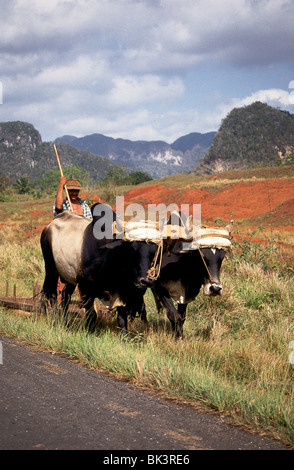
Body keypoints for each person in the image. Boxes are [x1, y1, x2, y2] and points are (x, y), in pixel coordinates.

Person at [53, 176, 93, 306]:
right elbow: (58, 208)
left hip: (83, 244)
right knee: (66, 279)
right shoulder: (64, 203)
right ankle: (62, 301)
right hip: (67, 244)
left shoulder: (83, 205)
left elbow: (90, 222)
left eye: (76, 190)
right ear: (66, 191)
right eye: (71, 191)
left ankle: (85, 300)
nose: (74, 193)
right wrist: (60, 185)